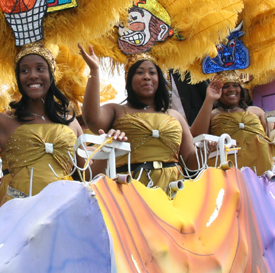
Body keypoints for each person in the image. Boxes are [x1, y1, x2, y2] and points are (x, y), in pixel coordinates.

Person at [0, 25, 125, 208]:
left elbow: (87, 174)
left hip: (63, 212)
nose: (32, 75)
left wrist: (109, 148)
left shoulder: (70, 122)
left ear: (51, 75)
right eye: (24, 70)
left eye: (40, 69)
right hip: (18, 216)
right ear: (19, 80)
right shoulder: (4, 123)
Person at [80, 46, 196, 191]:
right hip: (132, 189)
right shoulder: (117, 110)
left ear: (159, 79)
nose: (147, 76)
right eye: (140, 72)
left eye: (152, 72)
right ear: (129, 80)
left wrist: (209, 151)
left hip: (173, 189)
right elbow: (92, 119)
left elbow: (191, 162)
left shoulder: (174, 115)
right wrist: (95, 71)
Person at [190, 73, 275, 176]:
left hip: (262, 170)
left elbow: (273, 136)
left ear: (241, 89)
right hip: (228, 173)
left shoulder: (256, 112)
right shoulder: (212, 115)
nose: (231, 89)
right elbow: (196, 136)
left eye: (235, 85)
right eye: (226, 86)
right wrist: (210, 98)